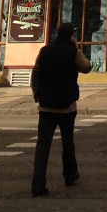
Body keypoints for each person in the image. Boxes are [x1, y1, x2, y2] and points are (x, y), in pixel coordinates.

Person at [30, 22, 91, 196]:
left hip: (46, 105)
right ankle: (69, 175)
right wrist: (77, 49)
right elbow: (86, 67)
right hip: (67, 107)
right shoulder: (73, 52)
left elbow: (35, 74)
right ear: (71, 36)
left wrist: (37, 96)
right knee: (67, 142)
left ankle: (38, 184)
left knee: (42, 145)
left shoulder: (44, 51)